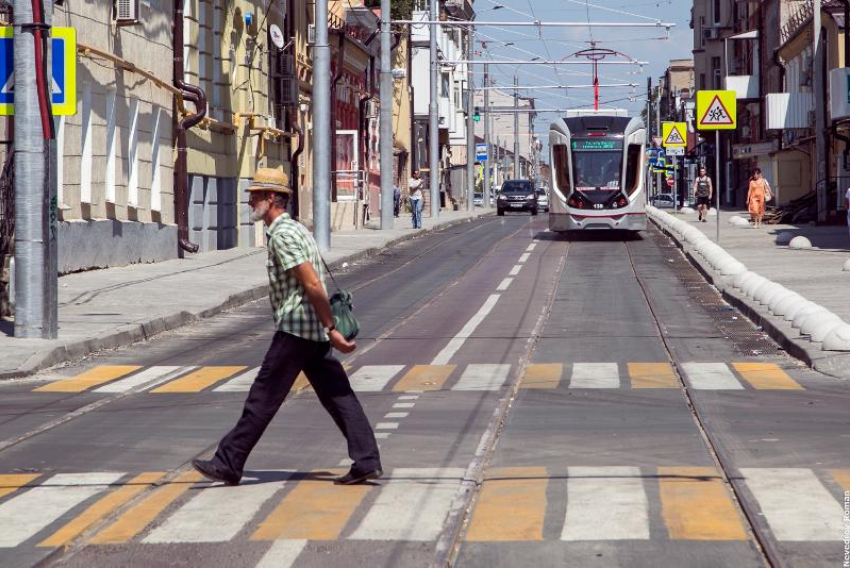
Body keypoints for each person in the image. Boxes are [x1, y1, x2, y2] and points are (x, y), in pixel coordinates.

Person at [192, 168, 382, 487]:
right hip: (309, 331)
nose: (249, 199)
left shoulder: (283, 234)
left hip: (297, 329)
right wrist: (325, 329)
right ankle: (366, 460)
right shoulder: (294, 228)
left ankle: (229, 461)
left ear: (271, 198)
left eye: (255, 194)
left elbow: (312, 282)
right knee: (338, 395)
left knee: (262, 397)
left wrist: (331, 327)